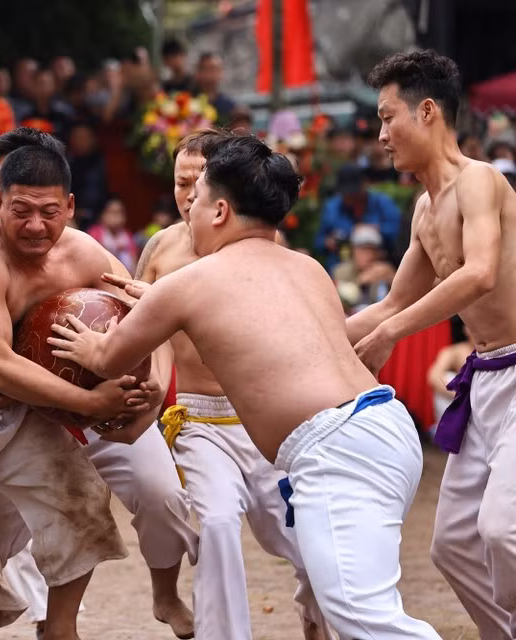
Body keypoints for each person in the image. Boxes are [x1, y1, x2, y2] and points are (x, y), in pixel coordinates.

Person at [48, 133, 441, 639]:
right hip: (384, 428)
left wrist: (82, 344)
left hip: (333, 446)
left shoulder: (192, 282)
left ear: (219, 211)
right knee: (346, 596)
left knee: (364, 616)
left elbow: (107, 357)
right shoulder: (307, 269)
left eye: (199, 196)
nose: (188, 208)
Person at [0, 128, 198, 639]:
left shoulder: (84, 254)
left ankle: (59, 629)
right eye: (21, 211)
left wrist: (149, 392)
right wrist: (88, 400)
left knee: (79, 496)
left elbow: (149, 314)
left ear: (71, 205)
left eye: (49, 212)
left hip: (19, 406)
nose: (36, 226)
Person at [126, 130, 329, 640]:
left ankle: (321, 622)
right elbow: (137, 331)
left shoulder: (265, 247)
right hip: (195, 419)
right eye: (180, 182)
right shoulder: (161, 249)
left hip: (264, 419)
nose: (188, 193)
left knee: (311, 538)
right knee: (216, 524)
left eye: (199, 182)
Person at [346, 50, 516, 637]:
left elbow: (480, 272)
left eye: (388, 117)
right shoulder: (424, 208)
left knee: (502, 531)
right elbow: (388, 305)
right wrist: (304, 337)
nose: (382, 134)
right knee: (452, 546)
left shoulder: (481, 179)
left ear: (426, 111)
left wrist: (392, 332)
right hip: (488, 377)